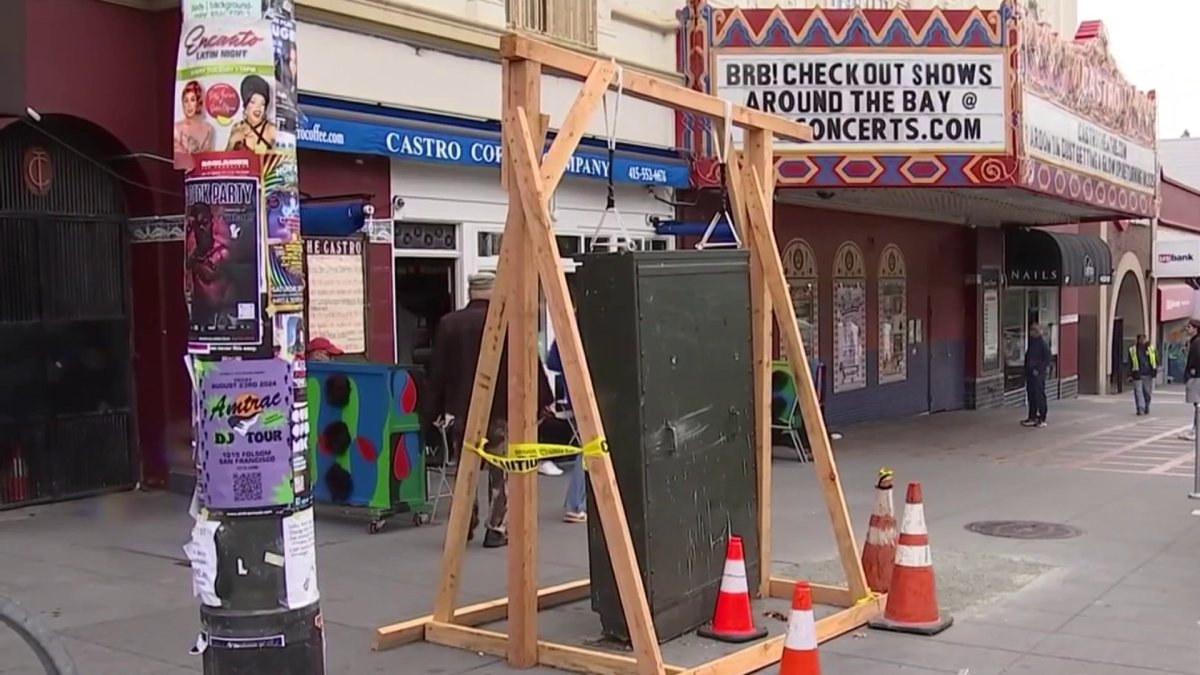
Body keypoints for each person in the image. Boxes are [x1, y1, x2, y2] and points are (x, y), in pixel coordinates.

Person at [426, 272, 553, 548]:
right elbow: (529, 360)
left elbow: (439, 372)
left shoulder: (450, 323)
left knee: (465, 470)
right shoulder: (508, 321)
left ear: (471, 292)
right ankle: (496, 527)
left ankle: (463, 524)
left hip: (463, 410)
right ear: (494, 292)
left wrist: (434, 409)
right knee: (500, 469)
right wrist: (543, 400)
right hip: (502, 408)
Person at [546, 339, 587, 523]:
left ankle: (577, 502)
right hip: (593, 396)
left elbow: (551, 362)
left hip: (575, 397)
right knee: (590, 448)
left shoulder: (565, 335)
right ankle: (575, 503)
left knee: (589, 446)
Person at [226, 75, 277, 153]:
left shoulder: (271, 130)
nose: (258, 108)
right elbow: (225, 162)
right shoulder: (237, 127)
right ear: (246, 105)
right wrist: (231, 143)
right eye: (253, 102)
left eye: (262, 104)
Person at [173, 80, 214, 163]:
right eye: (186, 101)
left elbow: (208, 158)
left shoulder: (208, 129)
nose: (189, 105)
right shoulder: (176, 128)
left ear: (198, 102)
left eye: (192, 100)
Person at [1021, 323, 1050, 428]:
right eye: (1031, 330)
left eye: (1033, 330)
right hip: (1030, 374)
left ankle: (1042, 417)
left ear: (1038, 332)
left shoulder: (1042, 344)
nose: (1031, 332)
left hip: (1038, 375)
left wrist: (1038, 370)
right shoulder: (1032, 343)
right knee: (1031, 396)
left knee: (1039, 395)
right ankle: (1032, 417)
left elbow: (1047, 360)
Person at [1128, 334, 1158, 416]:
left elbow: (1155, 360)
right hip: (1137, 373)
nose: (1142, 341)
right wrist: (1130, 374)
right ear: (1137, 340)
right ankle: (1140, 408)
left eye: (1144, 339)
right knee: (1138, 392)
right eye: (1141, 339)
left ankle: (1146, 406)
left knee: (1147, 392)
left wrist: (1154, 370)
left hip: (1148, 374)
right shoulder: (1133, 350)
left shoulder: (1150, 349)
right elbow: (1130, 362)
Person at [1181, 320, 1200, 441]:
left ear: (1196, 329)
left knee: (1198, 404)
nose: (1186, 329)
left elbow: (1195, 359)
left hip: (1197, 376)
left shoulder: (1197, 343)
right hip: (1196, 375)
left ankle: (1196, 430)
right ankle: (1195, 428)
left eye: (1189, 327)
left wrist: (1191, 372)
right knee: (1197, 404)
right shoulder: (1194, 342)